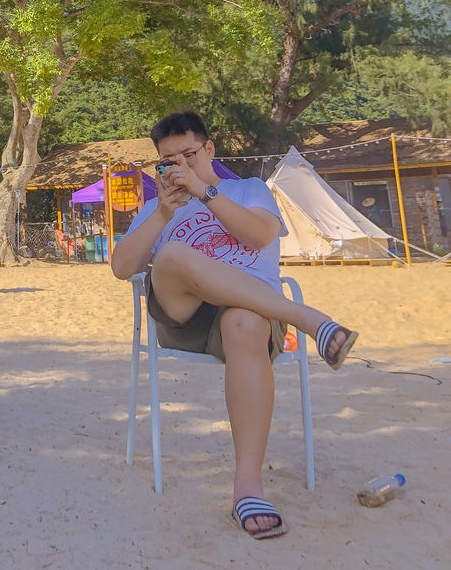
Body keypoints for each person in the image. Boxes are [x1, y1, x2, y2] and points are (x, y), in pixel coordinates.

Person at [111, 111, 359, 541]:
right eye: (167, 162)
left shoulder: (248, 190)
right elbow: (121, 267)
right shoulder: (155, 207)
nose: (179, 168)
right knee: (170, 256)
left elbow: (261, 235)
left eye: (187, 155)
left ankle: (248, 487)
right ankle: (308, 320)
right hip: (185, 316)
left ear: (209, 150)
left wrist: (204, 192)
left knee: (244, 322)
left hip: (249, 318)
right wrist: (161, 217)